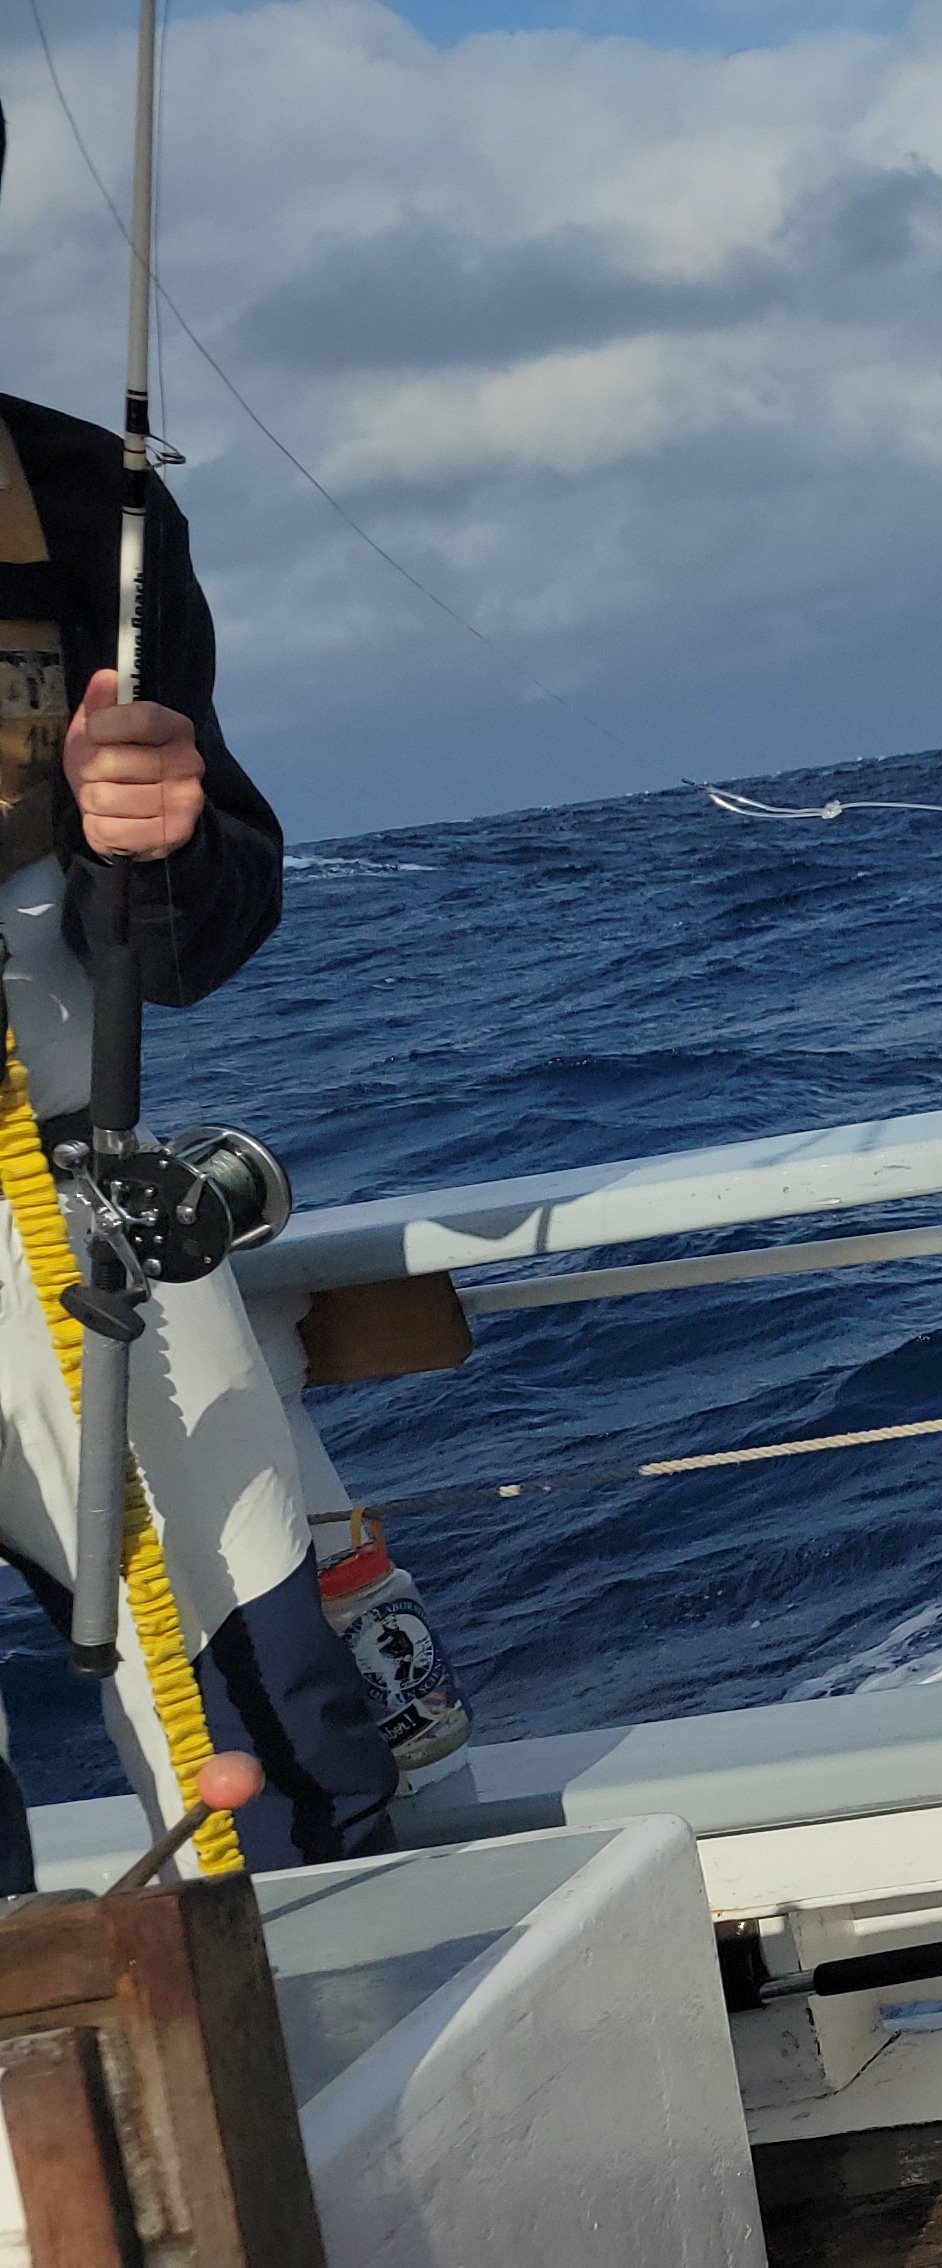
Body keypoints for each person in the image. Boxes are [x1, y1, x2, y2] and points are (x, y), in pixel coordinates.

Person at [0, 105, 398, 1881]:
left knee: (287, 1754)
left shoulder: (96, 507)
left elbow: (212, 922)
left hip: (70, 1224)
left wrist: (149, 836)